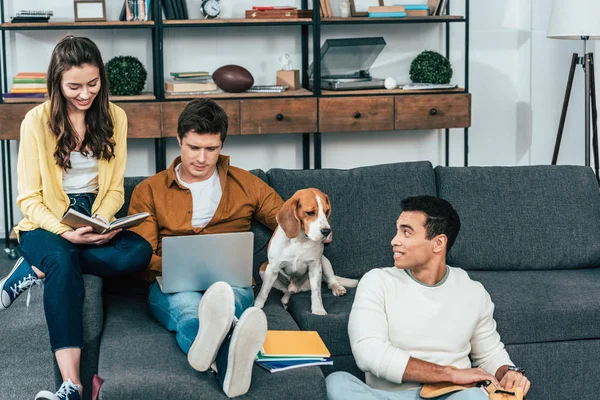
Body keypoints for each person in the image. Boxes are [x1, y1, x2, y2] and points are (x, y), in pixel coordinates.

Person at [0, 35, 152, 400]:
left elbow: (115, 188)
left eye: (93, 84)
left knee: (139, 252)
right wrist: (65, 233)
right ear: (57, 82)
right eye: (74, 87)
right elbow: (29, 200)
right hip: (46, 219)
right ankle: (72, 385)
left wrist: (100, 220)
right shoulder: (35, 121)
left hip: (91, 210)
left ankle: (32, 269)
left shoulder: (115, 116)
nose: (85, 94)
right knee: (62, 261)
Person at [127, 98, 284, 398]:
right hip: (172, 284)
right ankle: (229, 359)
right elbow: (142, 255)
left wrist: (311, 234)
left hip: (230, 282)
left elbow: (285, 220)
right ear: (179, 141)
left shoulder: (246, 184)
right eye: (193, 147)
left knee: (227, 297)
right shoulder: (149, 191)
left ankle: (212, 358)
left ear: (221, 145)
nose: (201, 158)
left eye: (211, 149)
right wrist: (184, 266)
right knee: (188, 310)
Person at [326, 195, 531, 400]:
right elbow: (368, 353)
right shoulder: (376, 281)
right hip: (387, 396)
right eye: (397, 230)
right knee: (337, 383)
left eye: (406, 232)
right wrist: (449, 374)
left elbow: (490, 355)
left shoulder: (473, 291)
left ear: (438, 243)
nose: (394, 241)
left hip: (453, 396)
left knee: (475, 398)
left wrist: (509, 372)